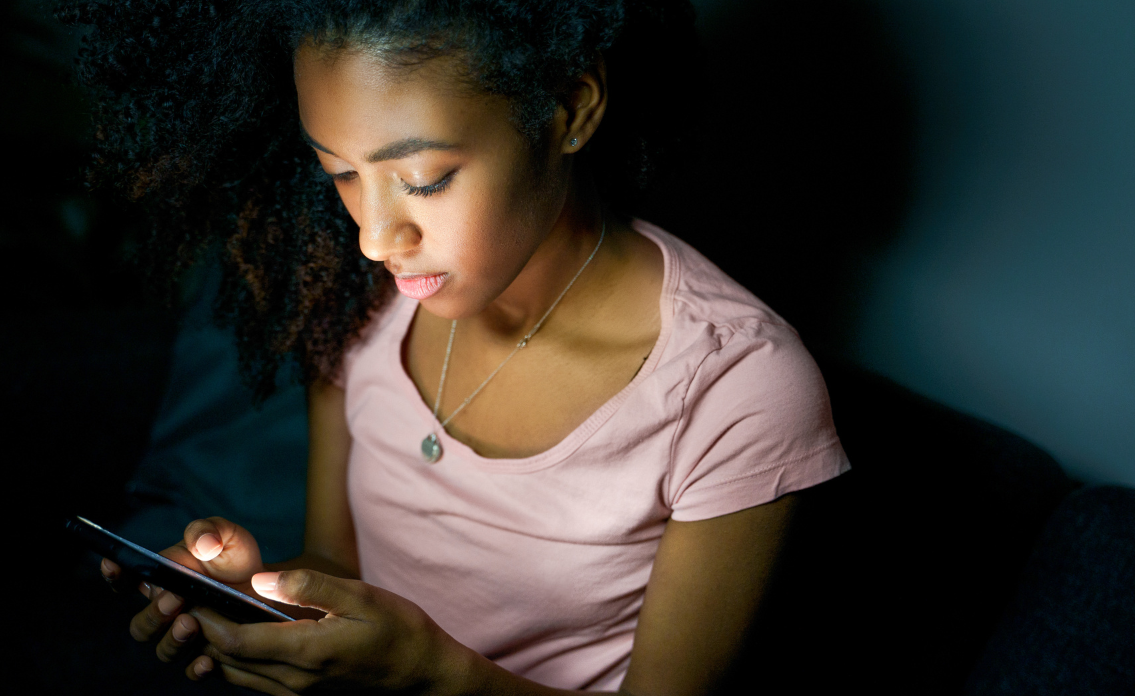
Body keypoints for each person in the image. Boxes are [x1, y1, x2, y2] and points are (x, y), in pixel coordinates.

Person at [68, 1, 850, 693]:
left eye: (427, 178)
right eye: (339, 173)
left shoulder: (736, 387)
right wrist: (257, 598)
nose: (375, 239)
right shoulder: (357, 304)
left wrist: (433, 674)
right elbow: (340, 571)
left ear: (570, 108)